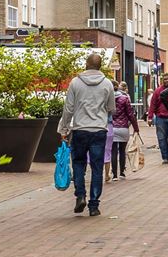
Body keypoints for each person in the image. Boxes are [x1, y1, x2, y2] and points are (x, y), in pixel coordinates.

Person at [57, 53, 116, 217]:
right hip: (99, 130)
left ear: (86, 64)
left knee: (78, 163)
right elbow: (112, 108)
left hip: (80, 129)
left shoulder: (75, 83)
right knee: (97, 168)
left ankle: (80, 195)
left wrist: (64, 129)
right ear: (100, 65)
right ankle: (94, 205)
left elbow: (68, 109)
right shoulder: (107, 84)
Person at [108, 82, 139, 180]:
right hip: (123, 128)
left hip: (111, 127)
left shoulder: (108, 99)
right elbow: (130, 114)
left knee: (113, 151)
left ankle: (114, 175)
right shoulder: (124, 99)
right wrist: (136, 128)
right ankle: (122, 173)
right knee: (122, 151)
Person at [148, 74, 168, 164]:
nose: (167, 80)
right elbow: (153, 104)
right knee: (161, 138)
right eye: (165, 79)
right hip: (160, 118)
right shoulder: (158, 91)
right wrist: (150, 117)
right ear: (162, 80)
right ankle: (165, 157)